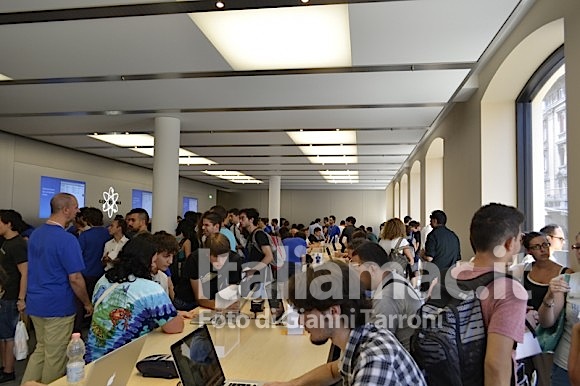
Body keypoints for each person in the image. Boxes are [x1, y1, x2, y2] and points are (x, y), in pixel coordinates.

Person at [263, 260, 426, 386]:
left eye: (304, 312)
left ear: (333, 312)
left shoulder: (374, 363)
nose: (300, 321)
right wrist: (292, 384)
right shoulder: (363, 335)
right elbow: (333, 370)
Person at [449, 203, 528, 384]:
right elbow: (496, 365)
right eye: (519, 239)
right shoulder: (509, 290)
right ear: (509, 243)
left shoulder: (450, 277)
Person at [22, 193, 93, 385]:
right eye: (76, 207)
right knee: (56, 355)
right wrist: (87, 302)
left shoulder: (35, 234)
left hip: (36, 302)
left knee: (41, 349)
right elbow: (76, 278)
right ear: (66, 210)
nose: (78, 211)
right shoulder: (67, 239)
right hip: (58, 305)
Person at [86, 234, 184, 362]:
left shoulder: (103, 280)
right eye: (154, 261)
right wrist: (178, 317)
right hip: (125, 360)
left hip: (93, 357)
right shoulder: (150, 288)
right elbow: (175, 327)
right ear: (145, 261)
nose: (155, 266)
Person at [511, 231, 573, 386]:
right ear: (529, 251)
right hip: (526, 332)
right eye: (537, 246)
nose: (543, 249)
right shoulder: (522, 271)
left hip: (550, 334)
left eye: (545, 244)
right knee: (523, 374)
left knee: (546, 378)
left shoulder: (564, 273)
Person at [351, 241, 421, 351]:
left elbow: (376, 348)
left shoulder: (386, 296)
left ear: (372, 269)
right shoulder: (393, 278)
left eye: (356, 267)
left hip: (403, 359)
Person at [538, 231, 580, 386]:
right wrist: (549, 296)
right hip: (566, 365)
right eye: (578, 247)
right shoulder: (565, 281)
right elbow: (546, 322)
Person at [0, 209, 28, 383]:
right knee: (3, 334)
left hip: (11, 297)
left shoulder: (17, 244)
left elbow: (24, 273)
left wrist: (21, 298)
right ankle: (4, 365)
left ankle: (9, 370)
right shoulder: (6, 243)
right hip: (4, 295)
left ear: (9, 223)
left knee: (9, 335)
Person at [186, 233, 242, 310]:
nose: (220, 261)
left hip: (214, 300)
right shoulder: (195, 260)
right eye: (215, 257)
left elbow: (230, 293)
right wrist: (221, 305)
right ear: (207, 254)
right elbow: (200, 299)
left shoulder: (235, 260)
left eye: (224, 256)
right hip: (190, 303)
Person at [421, 209, 461, 274]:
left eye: (431, 220)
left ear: (435, 221)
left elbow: (429, 258)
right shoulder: (454, 236)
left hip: (434, 274)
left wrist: (422, 254)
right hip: (449, 275)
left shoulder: (432, 235)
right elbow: (457, 260)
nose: (430, 222)